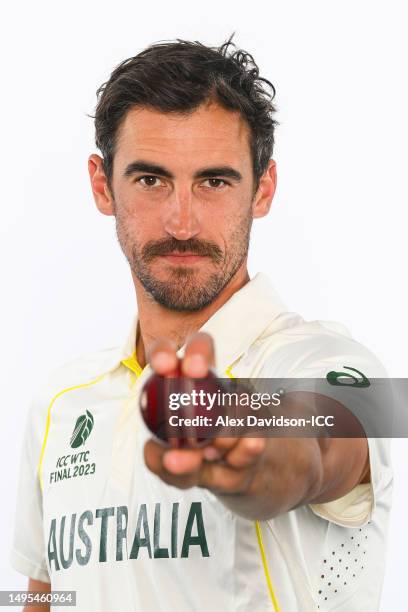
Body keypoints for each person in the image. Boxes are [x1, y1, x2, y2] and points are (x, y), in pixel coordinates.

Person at [11, 37, 392, 612]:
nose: (182, 221)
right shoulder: (58, 402)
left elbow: (317, 441)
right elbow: (46, 593)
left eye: (214, 182)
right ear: (101, 185)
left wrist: (247, 446)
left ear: (262, 188)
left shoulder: (336, 365)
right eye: (150, 180)